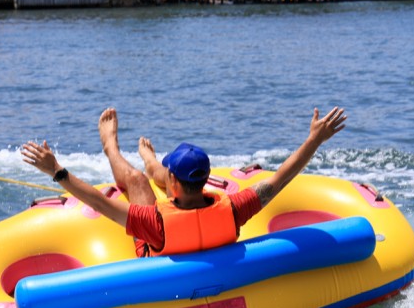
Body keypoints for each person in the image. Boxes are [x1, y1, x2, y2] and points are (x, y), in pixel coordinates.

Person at [21, 105, 347, 257]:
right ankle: (152, 163)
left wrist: (57, 171)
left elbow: (97, 201)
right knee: (145, 175)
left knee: (134, 180)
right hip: (197, 210)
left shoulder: (152, 223)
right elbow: (281, 178)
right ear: (208, 181)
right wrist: (315, 140)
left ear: (172, 183)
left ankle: (113, 148)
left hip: (161, 248)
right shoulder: (234, 208)